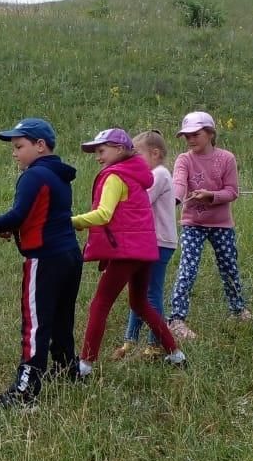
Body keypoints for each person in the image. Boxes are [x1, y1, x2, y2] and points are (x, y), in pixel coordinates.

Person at [0, 118, 83, 410]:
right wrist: (15, 229)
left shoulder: (33, 175)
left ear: (40, 146)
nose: (14, 153)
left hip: (45, 259)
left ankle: (26, 391)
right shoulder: (59, 175)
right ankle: (68, 370)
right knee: (62, 318)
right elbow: (42, 215)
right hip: (70, 256)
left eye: (19, 146)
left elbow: (18, 214)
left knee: (35, 324)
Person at [71, 128, 187, 377]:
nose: (98, 157)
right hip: (145, 250)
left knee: (100, 304)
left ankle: (85, 366)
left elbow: (104, 214)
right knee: (140, 302)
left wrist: (71, 221)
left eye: (101, 151)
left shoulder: (115, 177)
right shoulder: (137, 176)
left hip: (126, 252)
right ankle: (176, 355)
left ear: (120, 149)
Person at [167, 111, 253, 339]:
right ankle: (176, 319)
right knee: (188, 268)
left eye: (195, 134)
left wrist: (210, 195)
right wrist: (174, 201)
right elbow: (178, 183)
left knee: (229, 266)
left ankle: (238, 311)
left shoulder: (226, 158)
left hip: (222, 225)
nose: (190, 140)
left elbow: (232, 191)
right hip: (192, 224)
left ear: (210, 133)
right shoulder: (184, 159)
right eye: (187, 136)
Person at [114, 130, 177, 358]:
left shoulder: (159, 174)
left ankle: (155, 343)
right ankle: (130, 340)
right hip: (146, 242)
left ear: (155, 153)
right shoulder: (153, 174)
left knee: (151, 294)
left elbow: (140, 200)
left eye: (137, 155)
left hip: (159, 242)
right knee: (138, 293)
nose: (133, 160)